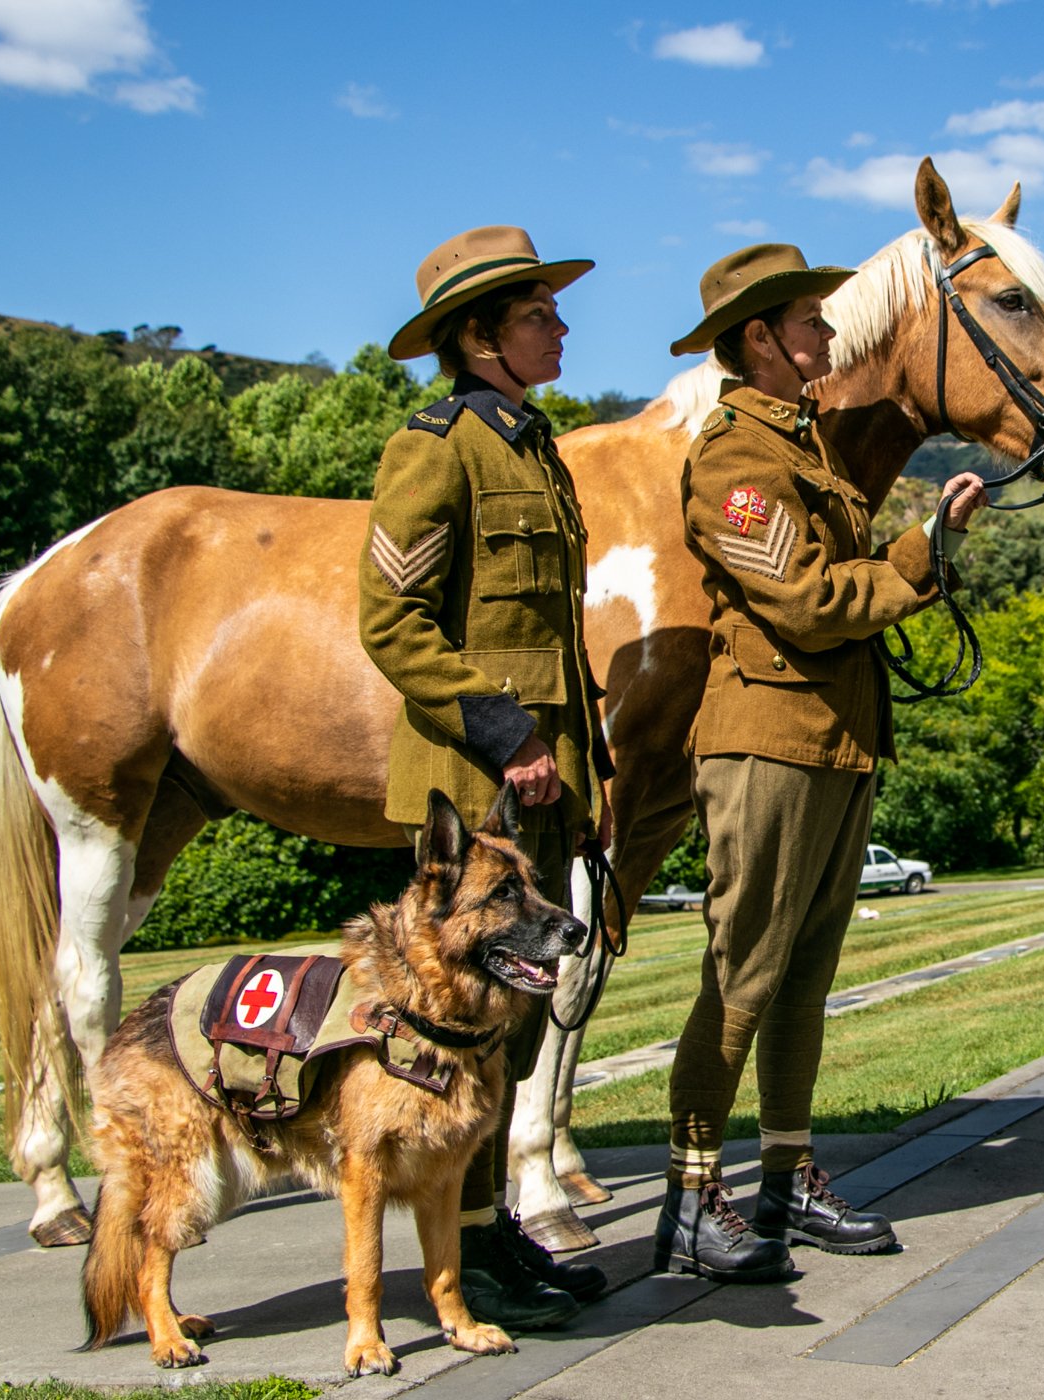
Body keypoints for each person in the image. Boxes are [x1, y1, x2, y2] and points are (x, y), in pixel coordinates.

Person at [654, 244, 987, 1281]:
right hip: (766, 742)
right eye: (808, 321)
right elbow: (807, 600)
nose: (827, 337)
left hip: (834, 740)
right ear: (759, 339)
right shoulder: (730, 460)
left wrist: (918, 541)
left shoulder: (805, 448)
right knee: (742, 969)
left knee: (804, 974)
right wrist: (920, 551)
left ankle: (786, 1176)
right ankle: (691, 1191)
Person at [358, 225, 617, 1330]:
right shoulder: (436, 445)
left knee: (508, 1027)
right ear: (479, 336)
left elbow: (553, 632)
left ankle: (489, 1233)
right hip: (476, 788)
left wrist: (583, 781)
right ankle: (459, 1261)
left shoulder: (532, 443)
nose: (560, 327)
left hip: (544, 787)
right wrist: (508, 732)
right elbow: (392, 621)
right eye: (538, 315)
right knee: (460, 1031)